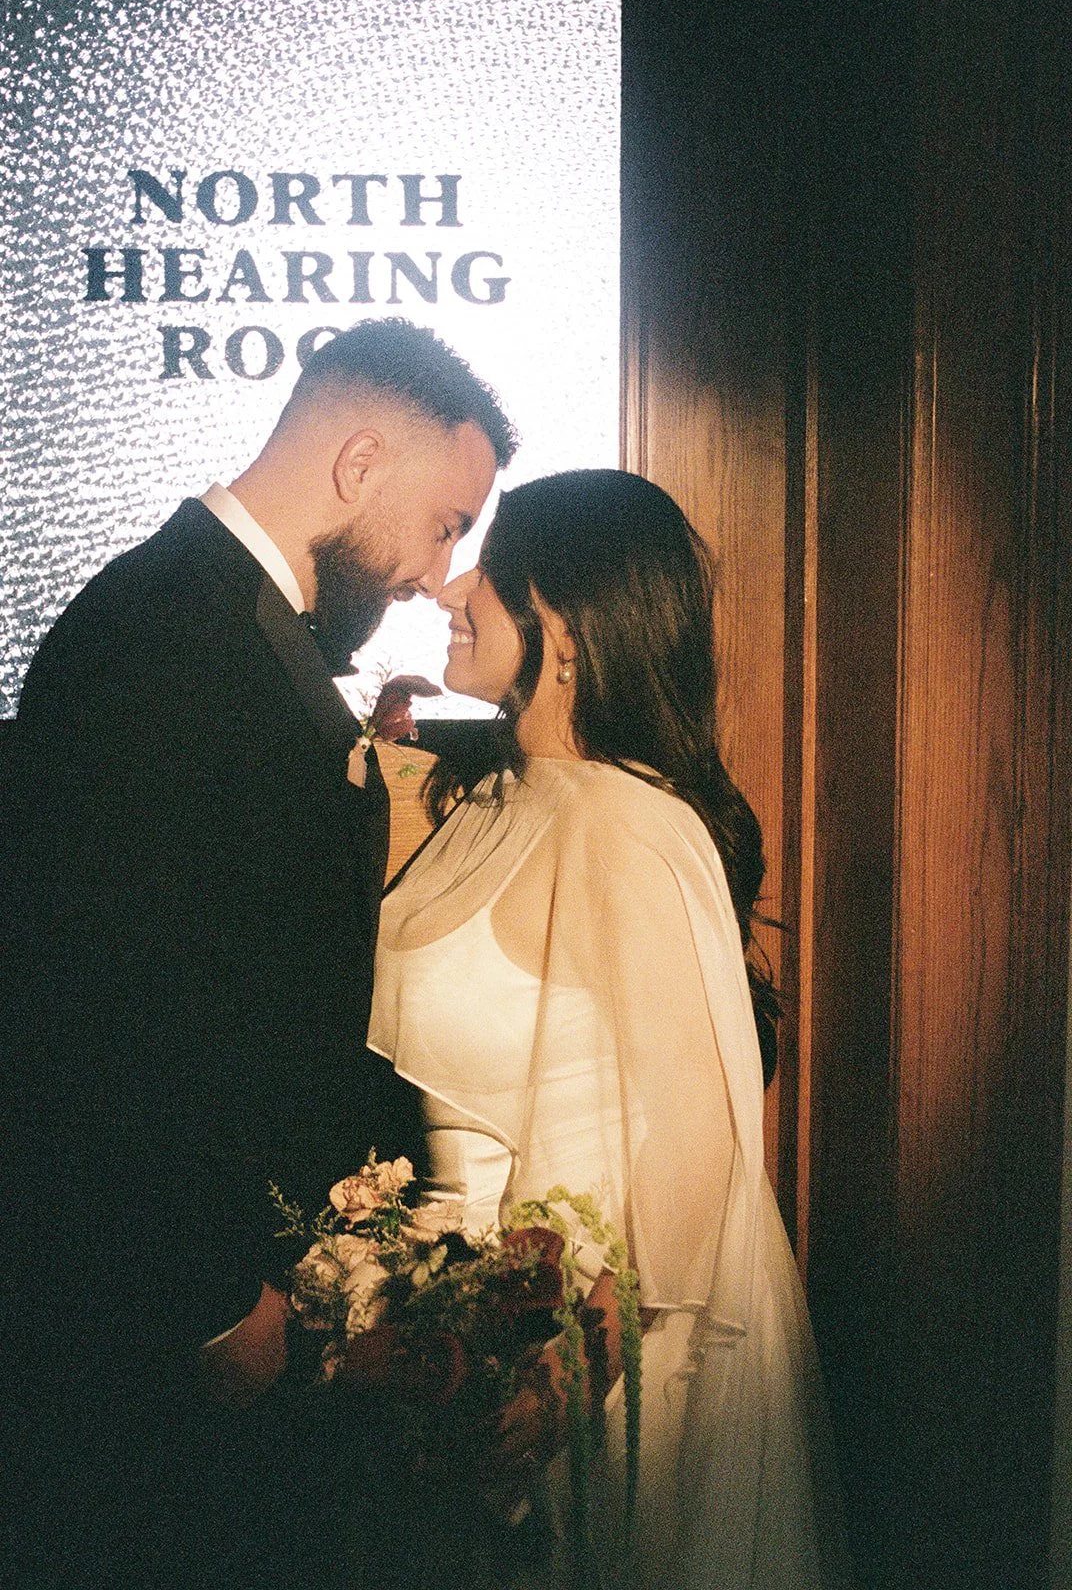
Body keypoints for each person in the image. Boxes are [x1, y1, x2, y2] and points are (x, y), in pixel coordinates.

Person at [0, 318, 516, 1587]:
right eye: (445, 523)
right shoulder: (161, 643)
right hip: (178, 1305)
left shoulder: (229, 625)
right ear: (357, 464)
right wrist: (213, 1294)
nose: (433, 572)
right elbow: (92, 1011)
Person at [368, 470, 851, 1588]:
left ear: (567, 623)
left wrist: (560, 1378)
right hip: (455, 1344)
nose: (449, 583)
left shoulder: (631, 831)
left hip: (588, 1369)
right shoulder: (492, 797)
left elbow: (693, 1164)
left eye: (489, 561)